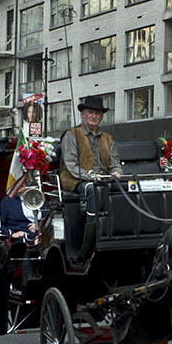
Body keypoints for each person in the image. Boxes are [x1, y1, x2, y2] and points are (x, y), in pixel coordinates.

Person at [60, 95, 123, 262]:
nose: (94, 116)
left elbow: (115, 164)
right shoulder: (72, 135)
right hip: (77, 181)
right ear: (83, 114)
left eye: (97, 113)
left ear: (102, 116)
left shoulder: (107, 138)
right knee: (92, 188)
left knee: (124, 188)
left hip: (103, 179)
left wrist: (116, 173)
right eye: (90, 112)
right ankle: (89, 244)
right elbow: (72, 166)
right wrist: (93, 177)